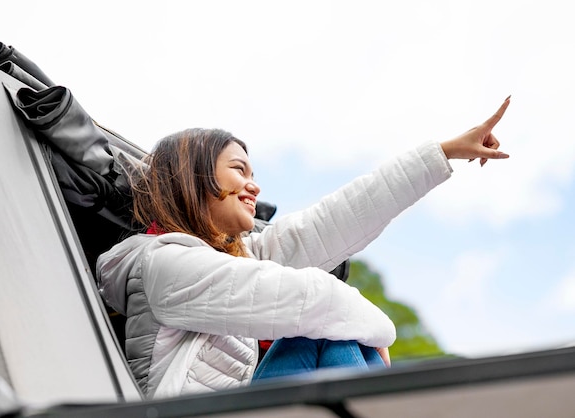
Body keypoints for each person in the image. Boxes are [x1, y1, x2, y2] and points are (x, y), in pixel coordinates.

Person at [96, 97, 511, 399]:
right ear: (193, 178)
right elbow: (313, 299)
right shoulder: (166, 264)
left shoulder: (236, 260)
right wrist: (380, 331)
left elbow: (334, 220)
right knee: (332, 332)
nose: (254, 185)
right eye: (238, 171)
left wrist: (444, 152)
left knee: (334, 335)